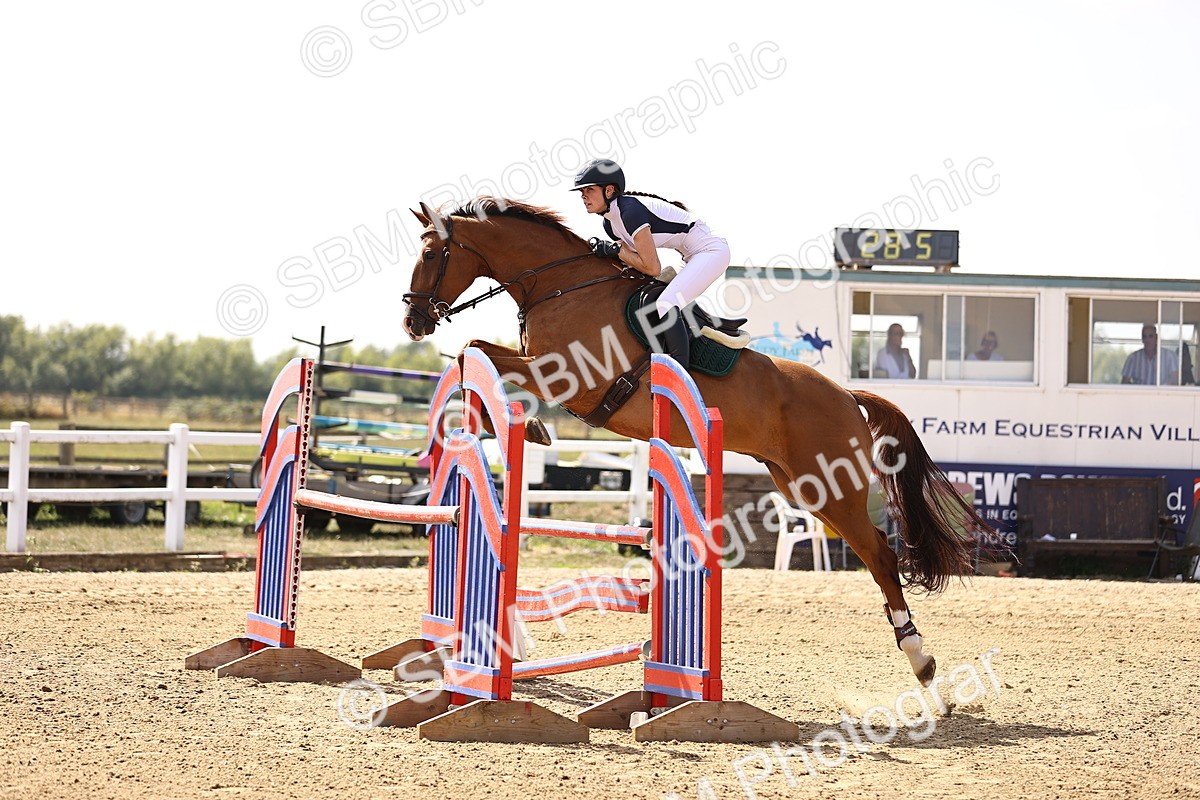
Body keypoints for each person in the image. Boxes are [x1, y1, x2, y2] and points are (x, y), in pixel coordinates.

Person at [571, 158, 730, 367]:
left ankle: (680, 371)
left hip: (711, 251)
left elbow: (652, 267)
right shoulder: (610, 223)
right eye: (582, 192)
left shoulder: (630, 211)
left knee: (666, 303)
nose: (583, 196)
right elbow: (637, 265)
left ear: (609, 190)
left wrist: (616, 250)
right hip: (691, 256)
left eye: (589, 190)